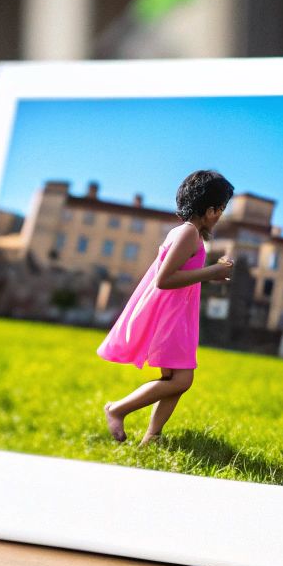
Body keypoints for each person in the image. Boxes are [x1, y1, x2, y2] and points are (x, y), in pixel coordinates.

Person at [97, 169, 236, 445]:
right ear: (210, 209)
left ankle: (152, 437)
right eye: (221, 208)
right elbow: (164, 279)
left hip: (179, 317)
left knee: (178, 378)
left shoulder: (188, 234)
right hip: (171, 318)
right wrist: (212, 273)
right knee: (182, 380)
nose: (220, 215)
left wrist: (210, 273)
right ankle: (117, 409)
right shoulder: (187, 234)